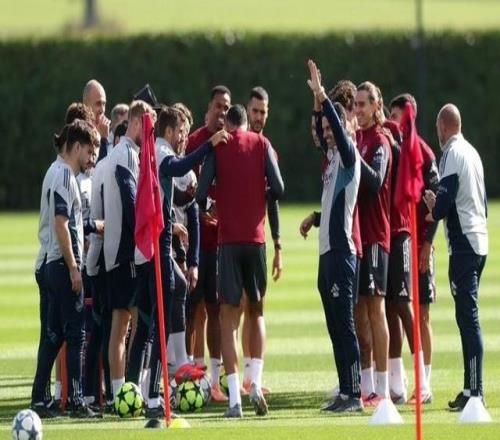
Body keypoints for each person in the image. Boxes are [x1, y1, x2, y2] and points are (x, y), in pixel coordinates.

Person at [196, 104, 284, 418]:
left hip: (229, 242)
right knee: (256, 312)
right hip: (256, 240)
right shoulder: (262, 144)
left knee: (227, 318)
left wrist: (213, 207)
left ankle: (234, 399)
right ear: (247, 122)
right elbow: (279, 188)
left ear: (229, 125)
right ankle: (255, 382)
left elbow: (200, 194)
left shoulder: (220, 146)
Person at [138, 106, 225, 417]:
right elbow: (177, 167)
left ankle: (173, 366)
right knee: (158, 320)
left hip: (162, 241)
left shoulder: (160, 150)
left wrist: (194, 200)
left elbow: (175, 193)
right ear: (171, 131)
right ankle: (154, 391)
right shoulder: (161, 149)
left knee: (174, 288)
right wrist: (208, 145)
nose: (183, 137)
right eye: (182, 132)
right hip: (156, 242)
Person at [299, 60, 362, 413]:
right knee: (334, 326)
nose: (324, 133)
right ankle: (344, 392)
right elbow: (317, 129)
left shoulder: (349, 153)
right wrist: (316, 103)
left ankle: (354, 394)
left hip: (341, 252)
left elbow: (336, 129)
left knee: (345, 325)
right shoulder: (333, 156)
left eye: (328, 128)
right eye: (323, 128)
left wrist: (323, 96)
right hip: (327, 253)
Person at [31, 120, 99, 418]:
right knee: (75, 334)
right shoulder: (64, 175)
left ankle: (39, 398)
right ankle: (75, 401)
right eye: (89, 150)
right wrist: (73, 267)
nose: (91, 157)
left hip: (52, 263)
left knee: (54, 334)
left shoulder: (55, 170)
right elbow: (61, 223)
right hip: (61, 263)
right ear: (77, 146)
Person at [424, 104, 488, 411]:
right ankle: (469, 387)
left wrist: (432, 204)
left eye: (438, 128)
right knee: (466, 318)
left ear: (443, 126)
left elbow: (444, 203)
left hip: (464, 245)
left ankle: (475, 391)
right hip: (480, 241)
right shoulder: (472, 152)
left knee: (468, 318)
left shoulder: (451, 153)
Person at [102, 100, 156, 401]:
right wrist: (144, 233)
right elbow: (130, 199)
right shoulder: (125, 154)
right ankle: (131, 392)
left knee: (121, 322)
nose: (150, 133)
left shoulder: (120, 153)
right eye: (148, 126)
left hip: (116, 250)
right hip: (126, 250)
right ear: (137, 122)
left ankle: (117, 394)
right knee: (136, 323)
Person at [389, 93, 439, 403]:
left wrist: (427, 244)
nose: (394, 123)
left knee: (421, 315)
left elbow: (437, 202)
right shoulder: (394, 151)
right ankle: (400, 381)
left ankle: (425, 384)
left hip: (419, 245)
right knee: (397, 309)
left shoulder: (423, 153)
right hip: (400, 242)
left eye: (398, 117)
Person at [186, 85, 231, 394]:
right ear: (209, 108)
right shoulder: (196, 142)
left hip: (219, 241)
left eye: (227, 107)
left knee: (215, 309)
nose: (222, 112)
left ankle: (214, 380)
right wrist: (200, 210)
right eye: (218, 106)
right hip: (195, 241)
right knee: (192, 310)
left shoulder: (231, 143)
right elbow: (186, 185)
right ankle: (191, 375)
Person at [240, 86, 282, 395]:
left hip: (256, 240)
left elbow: (274, 200)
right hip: (232, 239)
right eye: (255, 111)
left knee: (255, 307)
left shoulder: (268, 150)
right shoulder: (236, 145)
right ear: (247, 110)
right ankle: (240, 376)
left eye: (263, 112)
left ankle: (252, 377)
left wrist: (278, 245)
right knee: (235, 309)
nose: (259, 117)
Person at [354, 81, 392, 406]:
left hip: (376, 236)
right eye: (356, 104)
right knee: (359, 312)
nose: (358, 109)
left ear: (376, 106)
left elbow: (375, 182)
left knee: (376, 310)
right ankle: (366, 385)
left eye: (363, 104)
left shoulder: (380, 141)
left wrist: (352, 153)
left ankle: (383, 387)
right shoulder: (357, 138)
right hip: (356, 237)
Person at [83, 79, 110, 160]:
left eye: (104, 104)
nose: (102, 110)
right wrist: (104, 139)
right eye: (98, 103)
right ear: (86, 104)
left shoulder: (108, 132)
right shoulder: (78, 136)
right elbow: (101, 167)